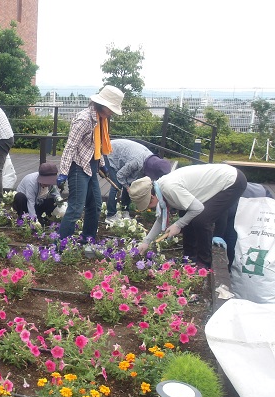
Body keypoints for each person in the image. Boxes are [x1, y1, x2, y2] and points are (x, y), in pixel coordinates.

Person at [128, 163, 247, 269]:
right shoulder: (160, 191)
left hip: (232, 181)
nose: (150, 208)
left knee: (201, 220)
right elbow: (161, 219)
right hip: (221, 180)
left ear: (152, 197)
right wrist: (146, 241)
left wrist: (178, 225)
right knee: (186, 214)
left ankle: (204, 264)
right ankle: (190, 257)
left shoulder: (169, 188)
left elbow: (198, 208)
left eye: (148, 204)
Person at [56, 85, 124, 241]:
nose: (112, 112)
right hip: (78, 167)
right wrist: (63, 172)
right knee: (76, 208)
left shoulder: (101, 120)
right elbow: (70, 147)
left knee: (96, 206)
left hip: (91, 166)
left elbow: (95, 145)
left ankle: (88, 239)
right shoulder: (84, 119)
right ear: (103, 105)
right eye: (111, 108)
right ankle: (60, 246)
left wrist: (101, 164)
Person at [103, 139, 172, 224]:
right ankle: (110, 215)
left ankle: (125, 211)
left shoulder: (151, 161)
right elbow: (120, 176)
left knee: (131, 184)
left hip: (126, 157)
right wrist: (127, 188)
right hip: (110, 152)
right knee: (116, 186)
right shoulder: (136, 162)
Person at [213, 182, 273, 270]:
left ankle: (233, 268)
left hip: (259, 197)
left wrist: (217, 235)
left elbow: (224, 216)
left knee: (235, 238)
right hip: (242, 197)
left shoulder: (218, 197)